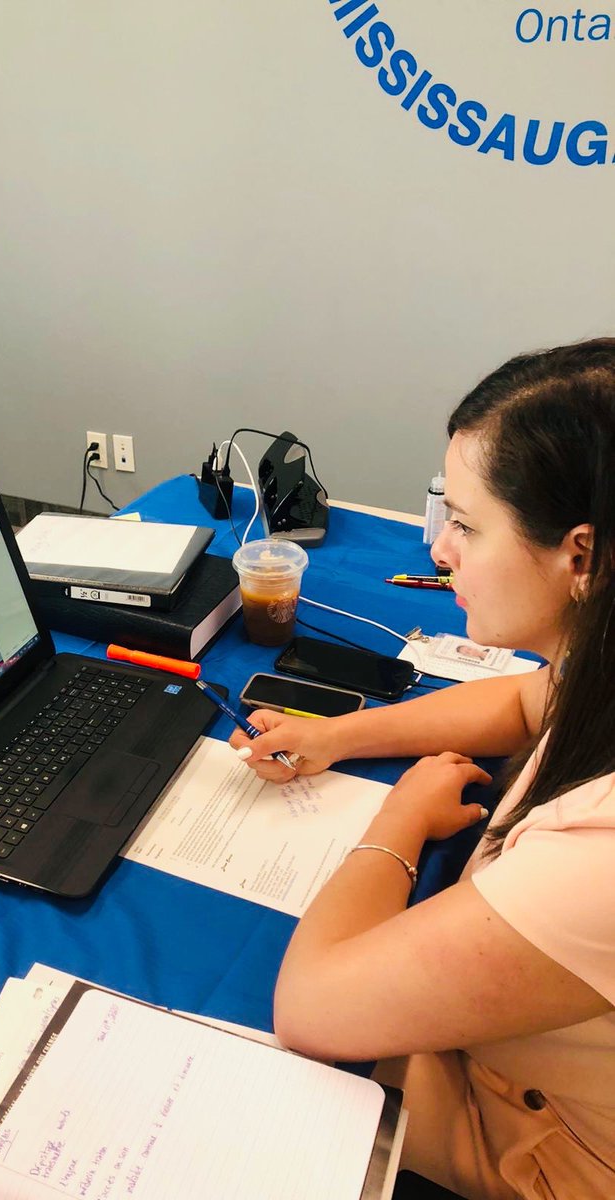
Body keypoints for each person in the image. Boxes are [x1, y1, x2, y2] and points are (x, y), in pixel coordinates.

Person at [230, 338, 615, 1199]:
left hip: (534, 1143)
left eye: (468, 526)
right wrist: (338, 737)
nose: (442, 551)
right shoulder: (595, 666)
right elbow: (526, 703)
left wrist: (400, 817)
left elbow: (312, 1008)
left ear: (581, 556)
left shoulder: (600, 856)